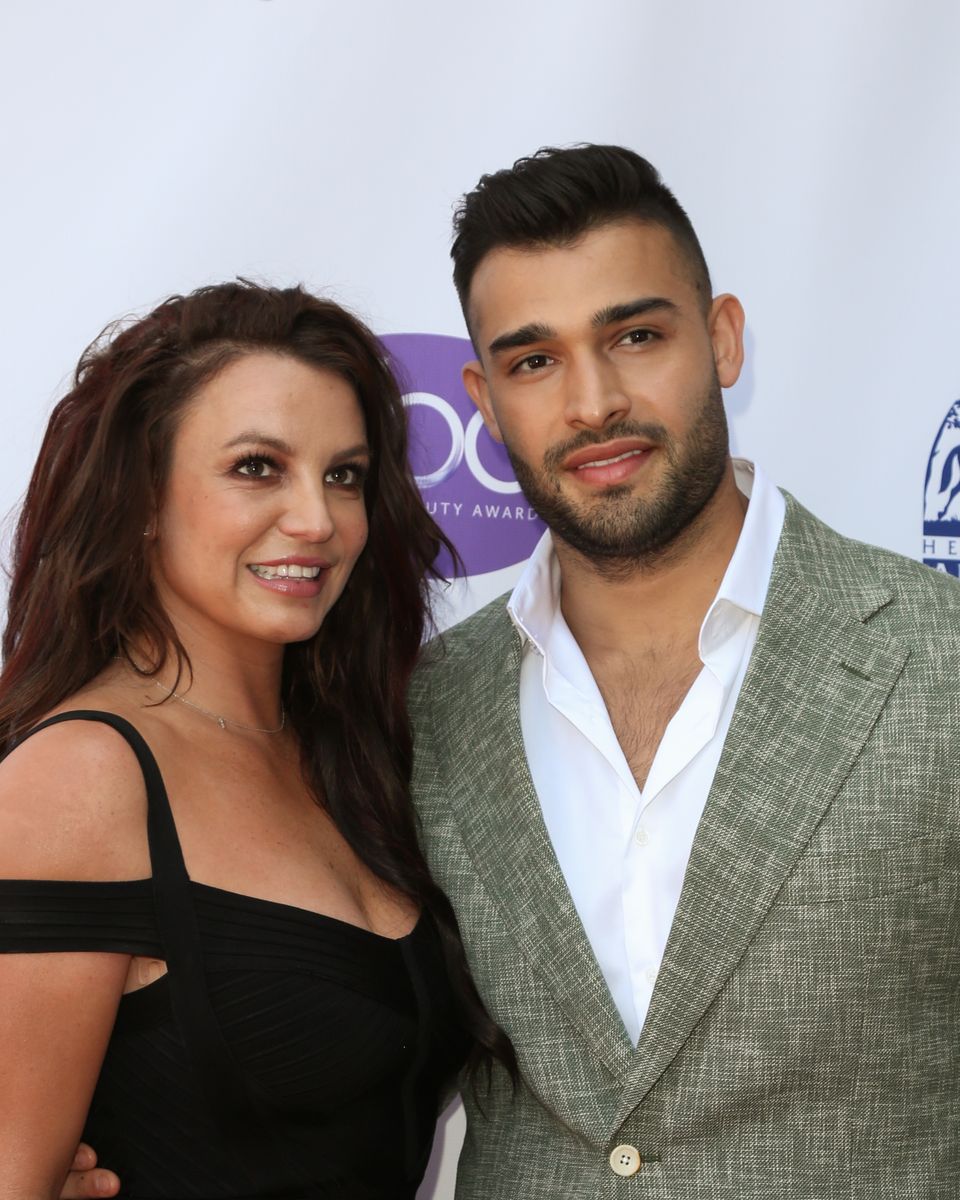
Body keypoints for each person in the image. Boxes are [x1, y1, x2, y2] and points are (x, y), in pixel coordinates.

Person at [64, 148, 960, 1199]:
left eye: (635, 335)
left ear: (722, 338)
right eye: (536, 361)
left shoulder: (935, 659)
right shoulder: (414, 715)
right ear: (483, 400)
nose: (593, 402)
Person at [0, 280, 509, 1199]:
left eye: (343, 475)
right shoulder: (80, 779)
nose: (317, 520)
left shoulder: (356, 754)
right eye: (256, 468)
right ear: (144, 495)